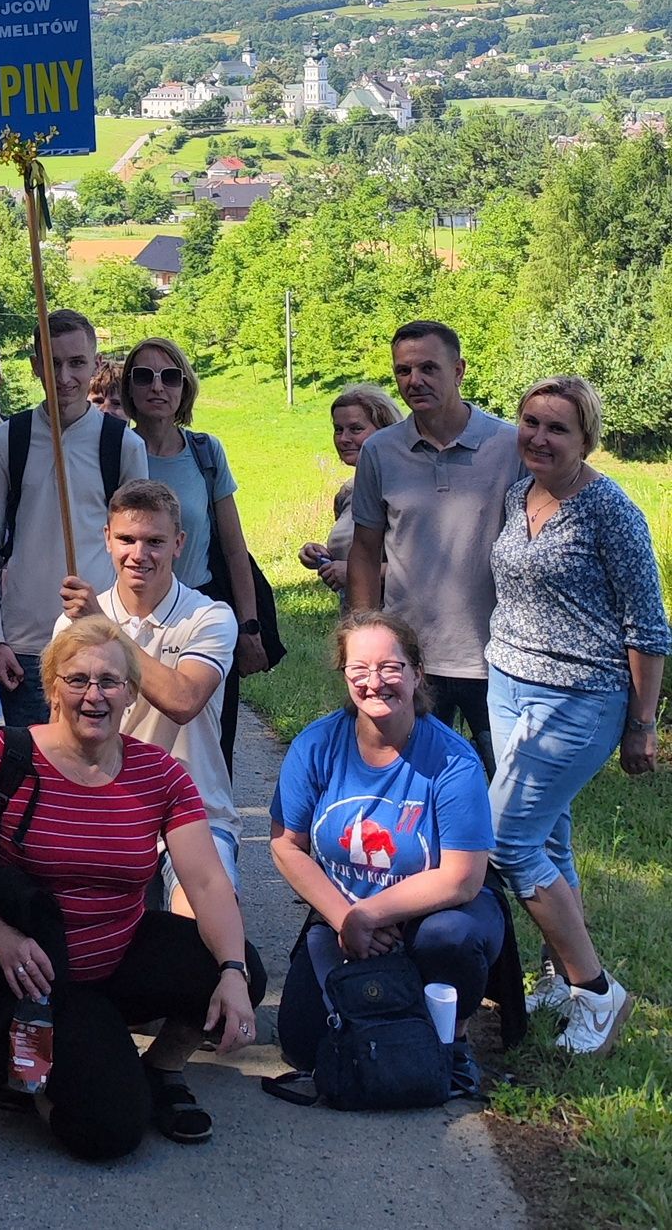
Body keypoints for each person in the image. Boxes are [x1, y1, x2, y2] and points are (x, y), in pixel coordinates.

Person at [0, 617, 263, 1158]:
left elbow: (204, 880)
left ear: (131, 693)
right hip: (39, 971)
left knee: (237, 965)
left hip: (122, 949)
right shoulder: (3, 755)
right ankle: (23, 1071)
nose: (94, 695)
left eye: (109, 681)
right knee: (108, 1130)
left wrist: (232, 973)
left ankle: (160, 1070)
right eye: (77, 679)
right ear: (52, 686)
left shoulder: (160, 773)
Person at [485, 376, 668, 1055]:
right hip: (507, 686)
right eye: (530, 422)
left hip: (579, 699)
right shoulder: (516, 493)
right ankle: (560, 979)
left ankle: (597, 991)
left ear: (586, 439)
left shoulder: (609, 511)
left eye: (557, 427)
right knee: (549, 841)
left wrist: (642, 725)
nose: (538, 436)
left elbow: (647, 626)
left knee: (508, 842)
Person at [269, 611, 500, 1093]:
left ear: (417, 674)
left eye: (391, 668)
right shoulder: (315, 746)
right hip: (343, 914)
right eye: (359, 670)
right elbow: (287, 846)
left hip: (432, 914)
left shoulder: (454, 759)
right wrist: (342, 917)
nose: (375, 682)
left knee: (451, 938)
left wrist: (368, 914)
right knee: (301, 1043)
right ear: (344, 674)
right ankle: (400, 1008)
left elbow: (463, 877)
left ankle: (452, 1043)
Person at [348, 320, 525, 775]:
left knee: (505, 793)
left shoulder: (509, 446)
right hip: (412, 658)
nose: (415, 381)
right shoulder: (381, 452)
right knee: (413, 787)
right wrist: (364, 637)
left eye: (429, 367)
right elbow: (365, 550)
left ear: (459, 369)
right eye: (404, 371)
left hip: (498, 655)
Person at [56, 481, 239, 913]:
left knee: (201, 932)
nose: (139, 554)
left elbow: (184, 699)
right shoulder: (71, 626)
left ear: (179, 544)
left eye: (155, 541)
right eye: (127, 539)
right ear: (107, 539)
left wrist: (107, 630)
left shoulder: (209, 617)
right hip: (104, 810)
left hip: (195, 811)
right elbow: (60, 736)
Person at [0, 309, 148, 727]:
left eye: (77, 363)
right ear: (35, 365)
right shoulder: (6, 441)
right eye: (52, 363)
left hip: (100, 637)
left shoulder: (121, 445)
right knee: (31, 775)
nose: (64, 376)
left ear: (96, 365)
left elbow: (141, 547)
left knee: (98, 773)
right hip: (25, 646)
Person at [120, 337, 265, 772]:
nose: (157, 387)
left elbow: (234, 547)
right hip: (135, 613)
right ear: (129, 388)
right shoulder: (116, 451)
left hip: (199, 614)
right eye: (143, 376)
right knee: (134, 739)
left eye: (170, 377)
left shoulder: (206, 452)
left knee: (211, 747)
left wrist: (248, 626)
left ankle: (210, 833)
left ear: (185, 387)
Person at [298, 383, 401, 598]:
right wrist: (320, 555)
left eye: (356, 429)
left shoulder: (402, 491)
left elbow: (423, 570)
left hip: (398, 617)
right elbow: (351, 551)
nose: (344, 439)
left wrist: (354, 572)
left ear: (385, 431)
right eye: (338, 429)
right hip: (355, 617)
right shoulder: (347, 493)